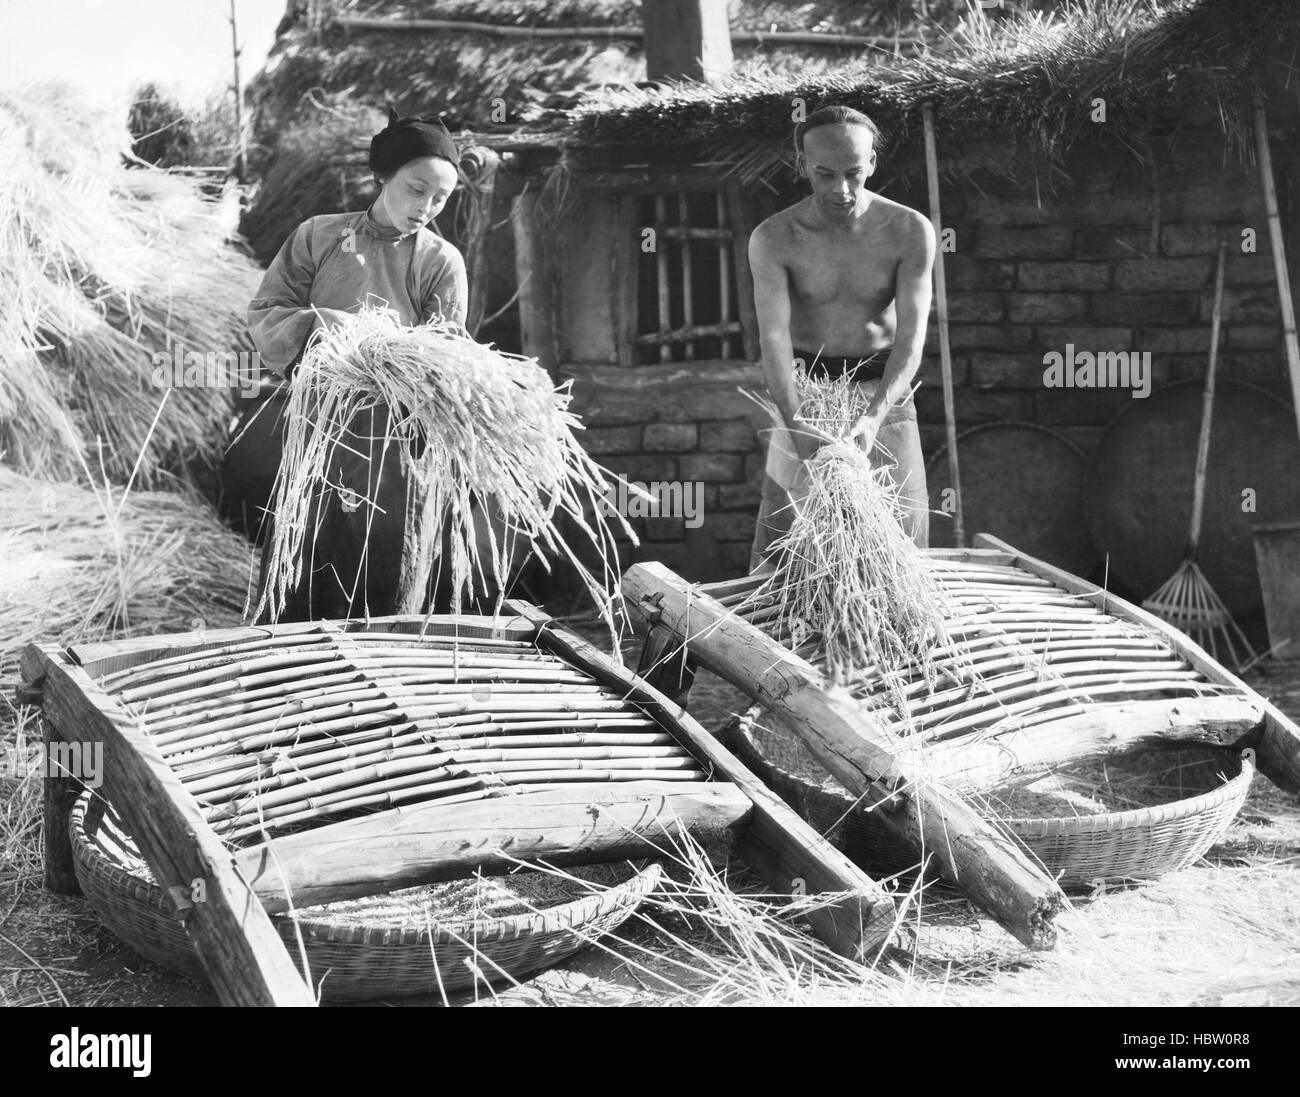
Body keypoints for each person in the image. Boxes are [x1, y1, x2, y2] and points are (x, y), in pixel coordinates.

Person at [235, 109, 476, 620]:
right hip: (318, 427)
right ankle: (293, 679)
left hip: (400, 443)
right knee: (304, 564)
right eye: (416, 188)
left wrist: (391, 355)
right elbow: (264, 313)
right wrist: (323, 325)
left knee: (389, 572)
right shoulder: (318, 237)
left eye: (440, 198)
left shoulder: (440, 262)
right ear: (383, 176)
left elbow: (445, 356)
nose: (426, 207)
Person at [747, 104, 935, 571]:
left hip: (885, 394)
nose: (841, 189)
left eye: (854, 172)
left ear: (872, 162)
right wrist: (795, 420)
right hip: (807, 393)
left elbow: (912, 340)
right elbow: (773, 341)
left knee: (904, 542)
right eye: (825, 174)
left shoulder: (910, 231)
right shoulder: (774, 238)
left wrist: (873, 418)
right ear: (802, 166)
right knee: (782, 545)